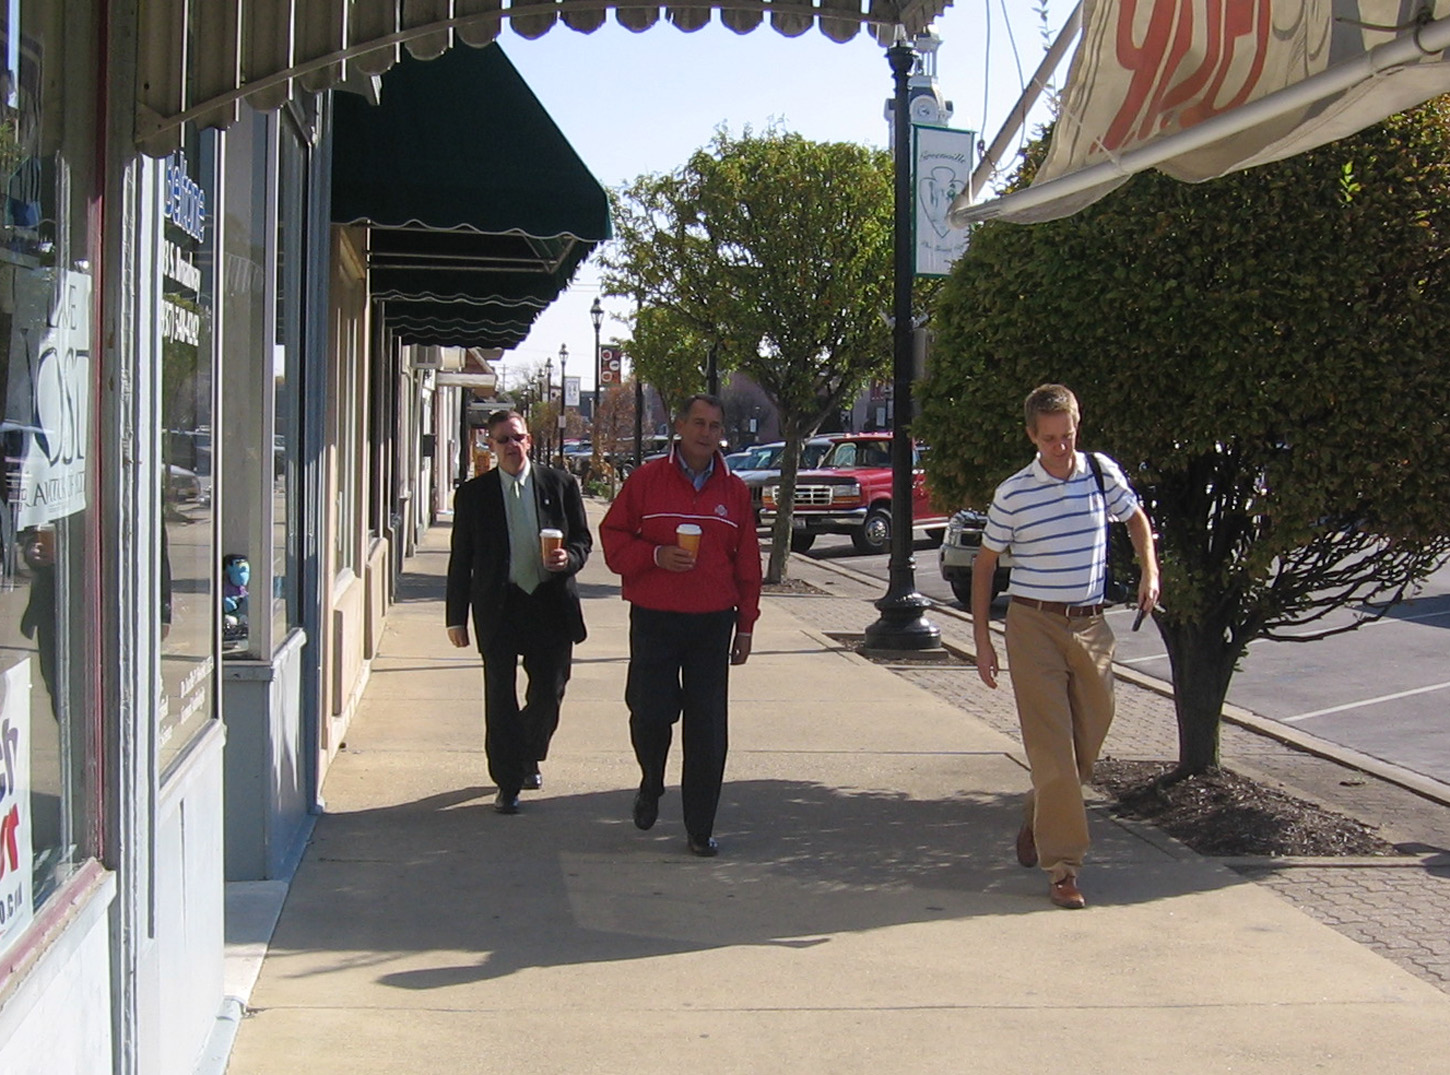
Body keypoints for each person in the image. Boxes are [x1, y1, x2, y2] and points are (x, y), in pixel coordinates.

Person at [972, 384, 1160, 909]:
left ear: (1078, 425)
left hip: (1091, 625)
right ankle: (1064, 867)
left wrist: (1150, 569)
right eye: (1049, 438)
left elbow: (1136, 520)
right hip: (1034, 626)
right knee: (1052, 751)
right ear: (1033, 435)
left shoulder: (1101, 473)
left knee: (1091, 736)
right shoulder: (1014, 493)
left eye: (1068, 435)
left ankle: (1041, 812)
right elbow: (986, 565)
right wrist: (982, 640)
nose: (1060, 446)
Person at [601, 394, 762, 857]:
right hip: (655, 618)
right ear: (679, 426)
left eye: (714, 425)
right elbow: (613, 539)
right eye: (698, 423)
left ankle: (699, 826)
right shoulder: (647, 480)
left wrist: (745, 625)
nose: (705, 433)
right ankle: (651, 781)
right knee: (649, 713)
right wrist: (653, 556)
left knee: (707, 728)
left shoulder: (733, 491)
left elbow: (747, 563)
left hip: (712, 623)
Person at [446, 410, 591, 815]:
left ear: (528, 441)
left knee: (549, 690)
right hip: (499, 604)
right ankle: (508, 781)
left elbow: (582, 538)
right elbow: (461, 559)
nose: (512, 446)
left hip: (549, 601)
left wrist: (569, 558)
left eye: (518, 438)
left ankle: (528, 753)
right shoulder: (475, 495)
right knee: (500, 696)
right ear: (490, 447)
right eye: (502, 440)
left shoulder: (560, 485)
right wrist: (455, 616)